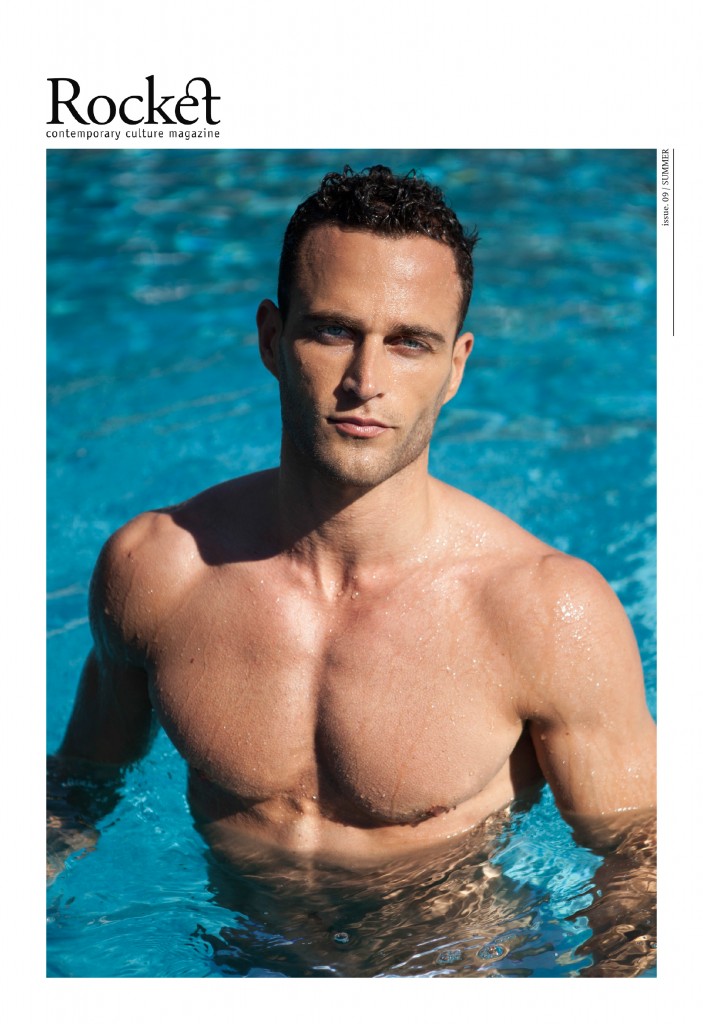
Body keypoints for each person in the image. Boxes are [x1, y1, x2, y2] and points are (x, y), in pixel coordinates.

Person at [47, 165, 656, 974]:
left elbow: (643, 863)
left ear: (456, 366)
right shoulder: (156, 570)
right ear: (272, 339)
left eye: (409, 343)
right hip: (234, 962)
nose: (365, 382)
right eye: (333, 332)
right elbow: (80, 789)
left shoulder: (545, 611)